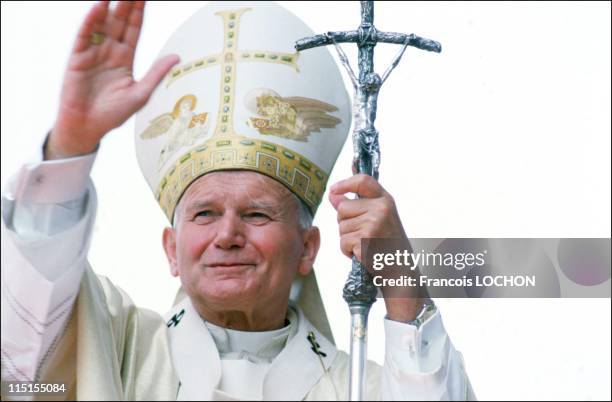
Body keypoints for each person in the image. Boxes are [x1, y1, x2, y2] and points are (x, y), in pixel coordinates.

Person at [1, 2, 475, 400]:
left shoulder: (361, 388)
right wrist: (70, 145)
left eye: (256, 214)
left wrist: (398, 277)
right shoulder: (115, 349)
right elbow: (24, 326)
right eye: (205, 213)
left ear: (307, 248)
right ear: (171, 247)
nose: (227, 236)